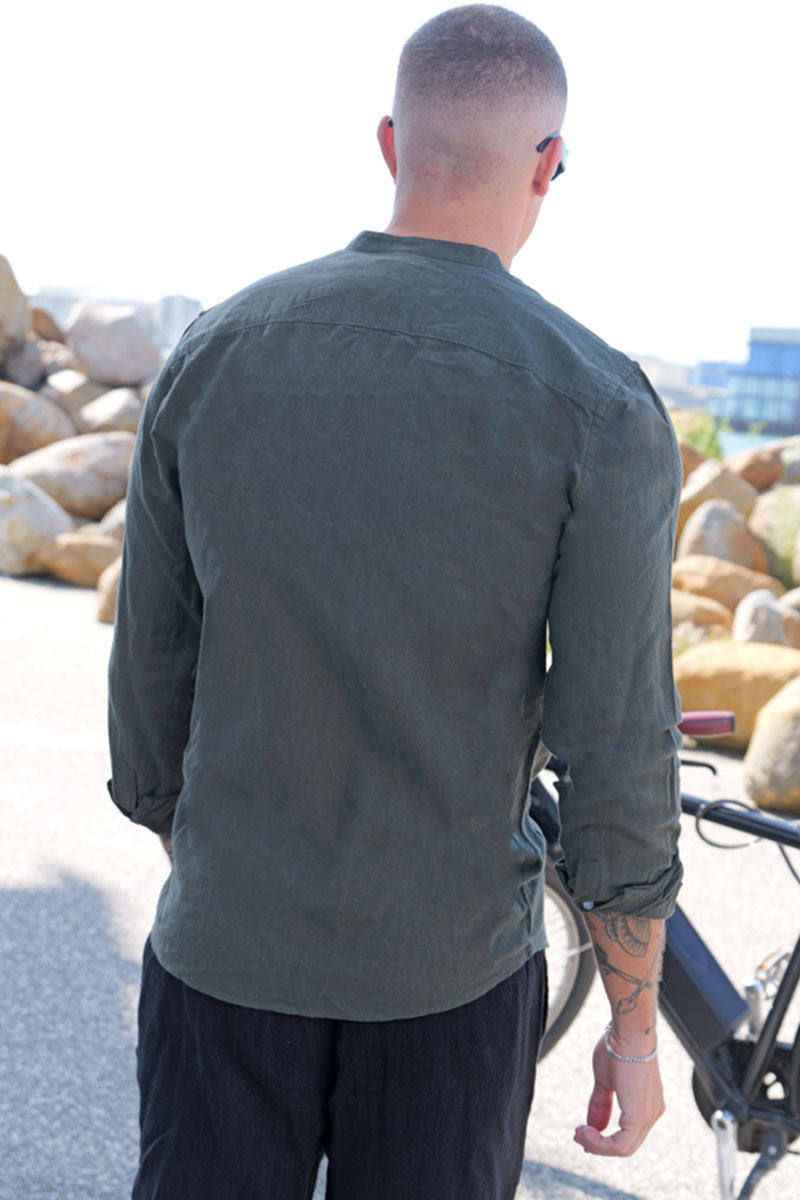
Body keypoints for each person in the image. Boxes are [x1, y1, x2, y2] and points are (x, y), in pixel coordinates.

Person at [107, 6, 683, 1197]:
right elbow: (615, 742)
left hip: (223, 950)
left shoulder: (213, 353)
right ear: (547, 163)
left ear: (389, 143)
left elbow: (150, 681)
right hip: (447, 984)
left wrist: (222, 865)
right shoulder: (598, 405)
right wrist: (632, 1033)